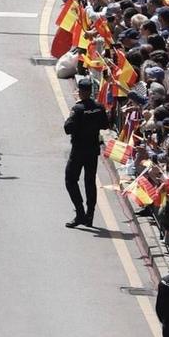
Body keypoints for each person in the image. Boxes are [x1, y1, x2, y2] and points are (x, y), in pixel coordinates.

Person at [64, 74, 110, 227]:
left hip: (78, 150)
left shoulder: (77, 108)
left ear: (81, 92)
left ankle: (80, 213)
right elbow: (105, 125)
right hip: (92, 150)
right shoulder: (99, 107)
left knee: (71, 180)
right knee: (90, 181)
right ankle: (90, 214)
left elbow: (67, 128)